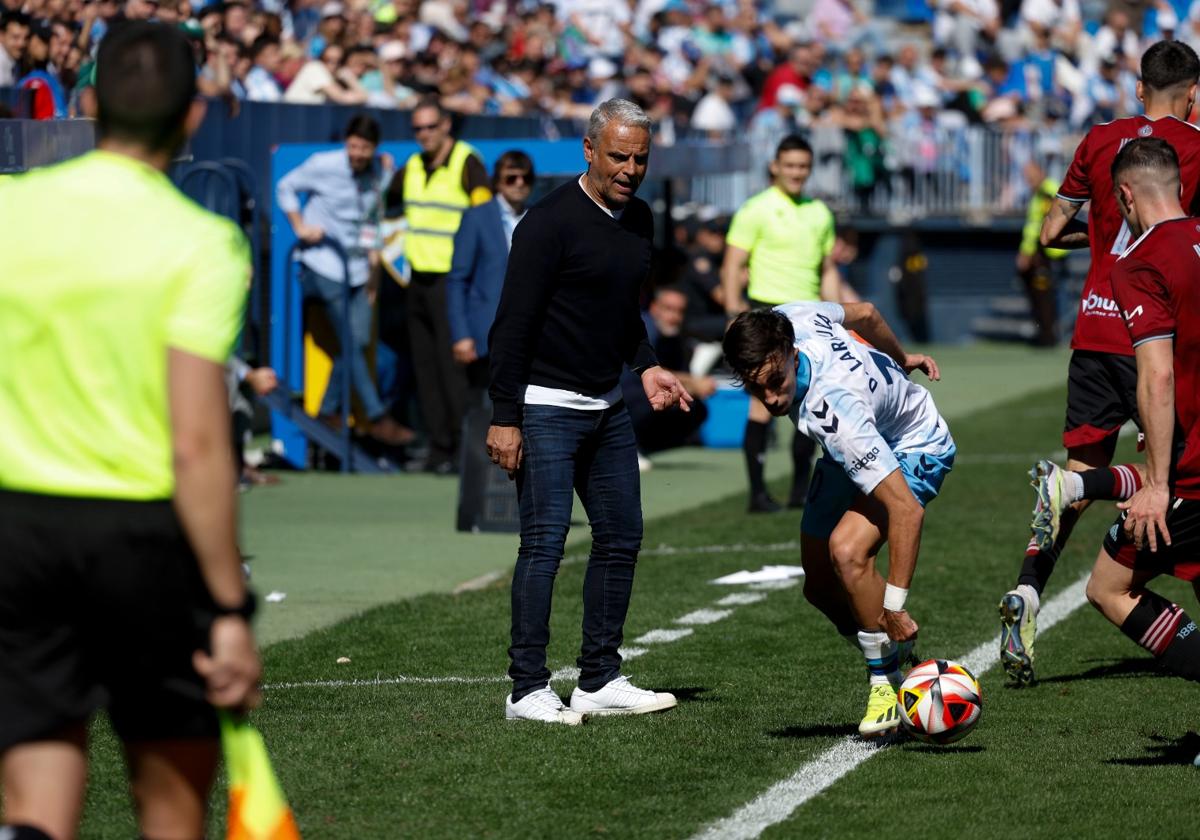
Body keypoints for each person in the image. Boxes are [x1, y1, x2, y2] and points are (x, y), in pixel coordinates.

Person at [0, 21, 260, 840]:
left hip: (18, 530)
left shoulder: (10, 210)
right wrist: (227, 605)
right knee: (170, 810)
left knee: (33, 810)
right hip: (141, 540)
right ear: (193, 118)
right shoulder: (203, 243)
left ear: (85, 102)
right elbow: (196, 443)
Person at [998, 39, 1200, 686]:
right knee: (1163, 470)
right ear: (1191, 94)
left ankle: (1028, 589)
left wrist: (1109, 232)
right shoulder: (1193, 146)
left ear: (1139, 89)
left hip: (1095, 323)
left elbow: (1052, 233)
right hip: (1155, 331)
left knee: (1083, 477)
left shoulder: (1100, 138)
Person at [487, 99, 692, 725]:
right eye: (619, 156)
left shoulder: (641, 220)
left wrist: (647, 362)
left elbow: (620, 309)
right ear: (589, 150)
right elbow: (512, 325)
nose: (630, 169)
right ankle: (527, 688)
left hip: (607, 406)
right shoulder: (546, 224)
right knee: (544, 545)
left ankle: (599, 678)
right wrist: (505, 416)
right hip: (545, 405)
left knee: (622, 536)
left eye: (640, 158)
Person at [722, 302, 952, 737]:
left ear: (790, 351)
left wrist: (894, 608)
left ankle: (885, 682)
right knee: (819, 585)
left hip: (914, 444)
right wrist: (902, 358)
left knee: (847, 552)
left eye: (775, 383)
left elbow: (907, 510)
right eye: (758, 390)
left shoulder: (835, 413)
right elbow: (864, 312)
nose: (771, 399)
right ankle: (893, 655)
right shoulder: (790, 316)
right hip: (859, 441)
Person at [1084, 138, 1200, 708]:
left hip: (1195, 472)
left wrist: (1156, 485)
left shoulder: (1139, 260)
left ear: (1125, 195)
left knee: (1108, 587)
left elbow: (1155, 377)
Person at [275, 114, 416, 447]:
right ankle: (376, 416)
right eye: (353, 146)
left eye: (364, 148)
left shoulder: (379, 171)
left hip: (357, 271)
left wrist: (373, 276)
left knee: (360, 342)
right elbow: (286, 187)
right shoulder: (323, 164)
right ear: (345, 143)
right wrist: (300, 227)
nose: (357, 153)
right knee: (351, 342)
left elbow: (372, 221)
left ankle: (327, 408)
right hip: (322, 265)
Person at [721, 134, 840, 514]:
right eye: (789, 165)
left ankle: (800, 491)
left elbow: (828, 269)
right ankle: (757, 493)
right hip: (766, 310)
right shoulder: (755, 209)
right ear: (775, 166)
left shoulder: (820, 213)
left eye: (803, 166)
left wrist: (835, 312)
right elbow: (732, 265)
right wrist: (733, 315)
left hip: (807, 314)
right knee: (761, 405)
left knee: (810, 400)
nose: (796, 173)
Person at [386, 97, 491, 474]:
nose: (424, 135)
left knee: (455, 369)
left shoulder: (468, 162)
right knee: (425, 367)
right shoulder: (411, 166)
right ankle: (440, 447)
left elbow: (484, 216)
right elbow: (387, 203)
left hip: (454, 280)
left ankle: (467, 449)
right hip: (418, 278)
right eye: (417, 128)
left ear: (446, 125)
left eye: (430, 127)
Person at [446, 150, 535, 400]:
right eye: (511, 178)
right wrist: (461, 334)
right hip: (485, 339)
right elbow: (457, 280)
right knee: (482, 418)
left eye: (525, 178)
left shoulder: (538, 218)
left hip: (529, 339)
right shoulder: (476, 218)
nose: (519, 183)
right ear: (497, 181)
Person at [1016, 160, 1068, 347]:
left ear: (1040, 172)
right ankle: (1051, 332)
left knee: (1054, 294)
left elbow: (1045, 224)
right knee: (1050, 293)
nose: (1028, 181)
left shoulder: (1048, 191)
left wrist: (1029, 251)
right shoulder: (1040, 192)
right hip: (1045, 250)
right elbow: (1033, 225)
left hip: (1053, 251)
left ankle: (1056, 334)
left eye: (1031, 176)